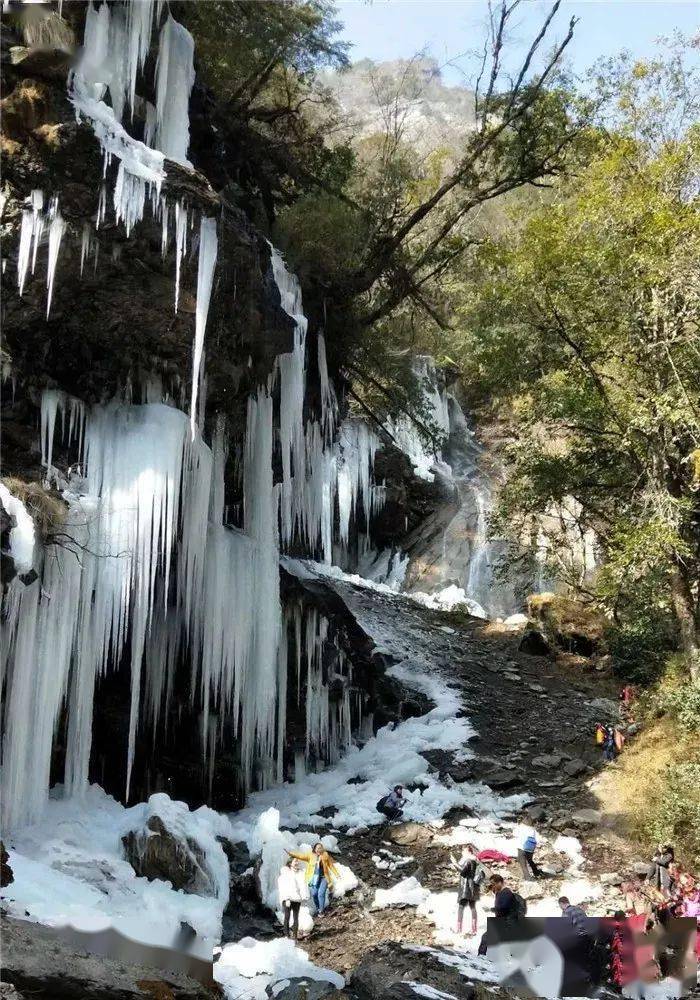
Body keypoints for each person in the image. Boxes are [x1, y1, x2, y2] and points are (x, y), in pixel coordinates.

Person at [286, 842, 339, 916]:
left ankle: (321, 911)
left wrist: (337, 874)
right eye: (317, 848)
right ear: (314, 849)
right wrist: (291, 853)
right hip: (314, 878)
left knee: (321, 893)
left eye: (320, 848)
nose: (319, 850)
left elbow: (331, 865)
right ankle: (318, 908)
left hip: (324, 878)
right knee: (314, 894)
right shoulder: (310, 855)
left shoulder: (325, 855)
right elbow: (300, 856)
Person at [477, 875, 525, 955]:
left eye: (494, 883)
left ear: (500, 883)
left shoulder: (506, 893)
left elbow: (503, 908)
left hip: (507, 922)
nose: (493, 886)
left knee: (486, 938)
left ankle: (481, 957)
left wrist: (490, 909)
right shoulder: (499, 893)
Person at [452, 843, 486, 936]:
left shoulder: (468, 860)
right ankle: (474, 929)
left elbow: (463, 872)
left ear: (467, 851)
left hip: (466, 887)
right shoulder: (475, 860)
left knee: (461, 907)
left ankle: (459, 929)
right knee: (472, 907)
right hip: (473, 887)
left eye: (463, 850)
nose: (462, 852)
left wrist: (455, 863)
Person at [277, 858, 306, 939]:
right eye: (295, 861)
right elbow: (283, 888)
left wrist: (303, 897)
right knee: (287, 917)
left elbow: (302, 886)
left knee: (295, 917)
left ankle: (295, 937)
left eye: (297, 861)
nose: (297, 862)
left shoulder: (299, 873)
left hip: (296, 898)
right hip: (288, 899)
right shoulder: (285, 874)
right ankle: (287, 936)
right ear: (290, 863)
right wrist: (286, 899)